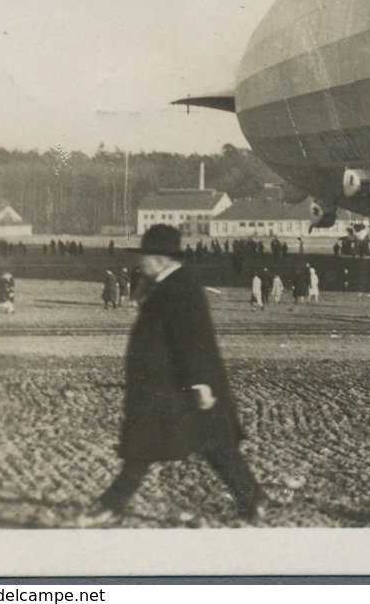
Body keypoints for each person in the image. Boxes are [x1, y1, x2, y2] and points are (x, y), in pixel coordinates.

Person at [82, 225, 265, 525]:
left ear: (158, 259)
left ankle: (110, 506)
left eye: (144, 256)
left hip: (180, 386)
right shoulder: (171, 285)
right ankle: (253, 498)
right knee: (213, 446)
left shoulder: (179, 288)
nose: (140, 262)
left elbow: (194, 338)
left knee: (145, 449)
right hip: (175, 384)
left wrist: (200, 383)